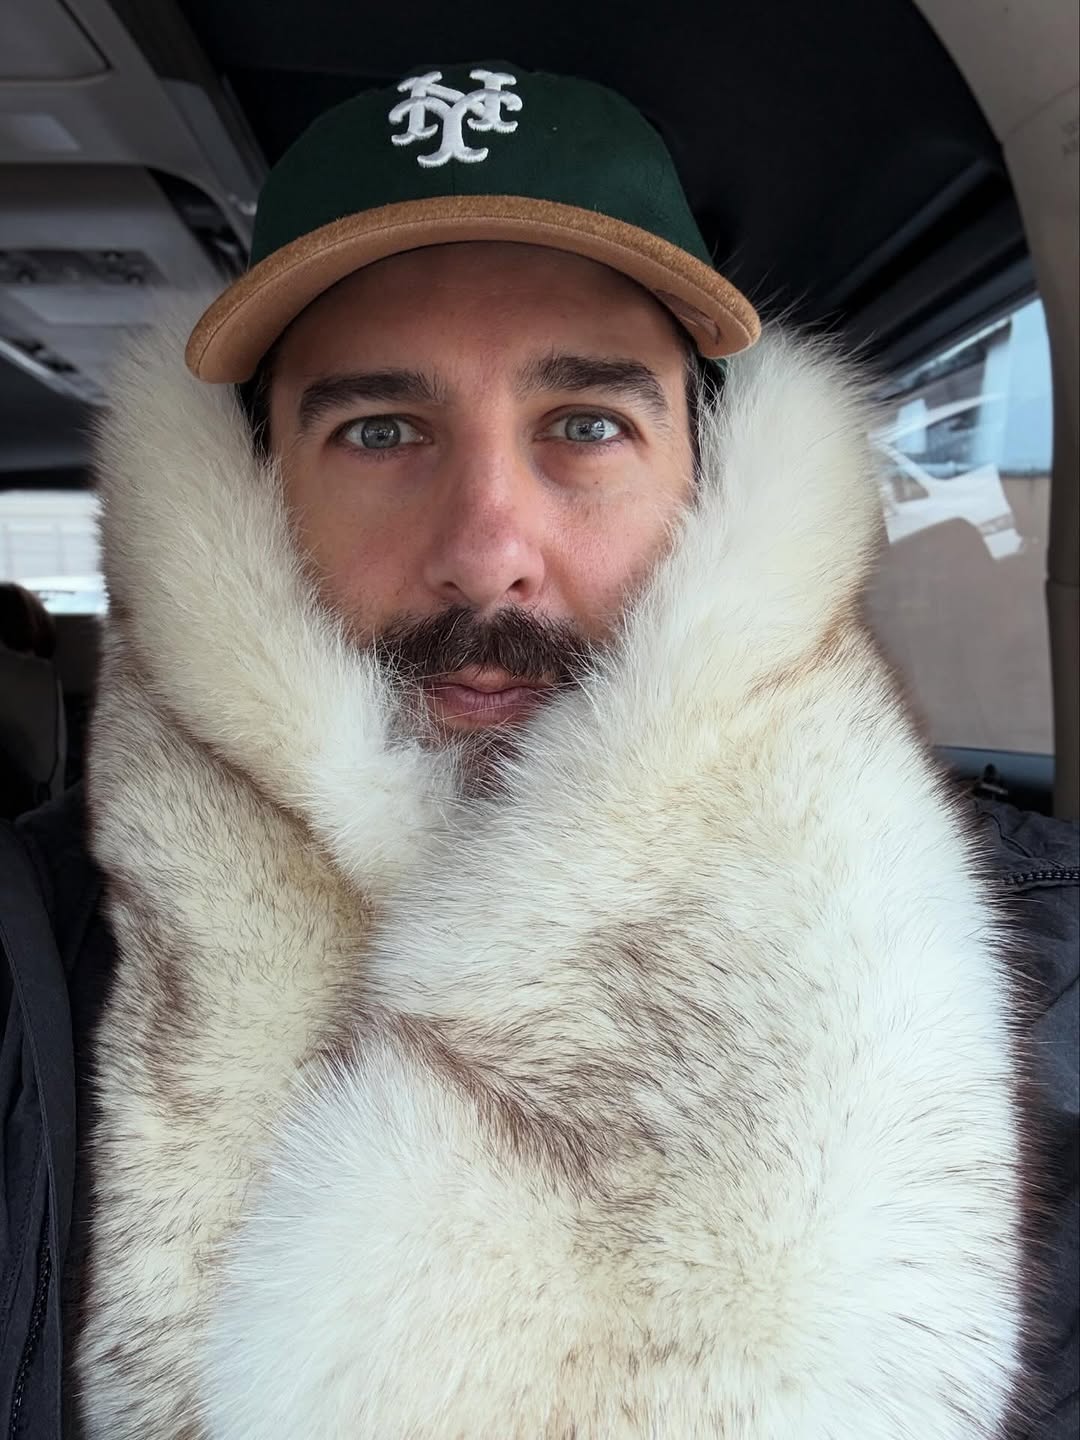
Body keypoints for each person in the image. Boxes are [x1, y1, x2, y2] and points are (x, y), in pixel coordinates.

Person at [0, 62, 1076, 1440]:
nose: (488, 551)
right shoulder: (40, 956)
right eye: (379, 432)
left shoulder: (1042, 972)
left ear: (710, 475)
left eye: (587, 426)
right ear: (252, 488)